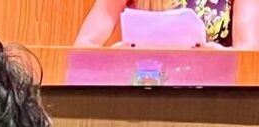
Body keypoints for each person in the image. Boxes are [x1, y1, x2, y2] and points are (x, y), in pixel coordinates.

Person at [75, 0, 259, 48]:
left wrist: (219, 56)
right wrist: (115, 58)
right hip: (145, 89)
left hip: (213, 94)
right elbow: (84, 45)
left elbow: (248, 51)